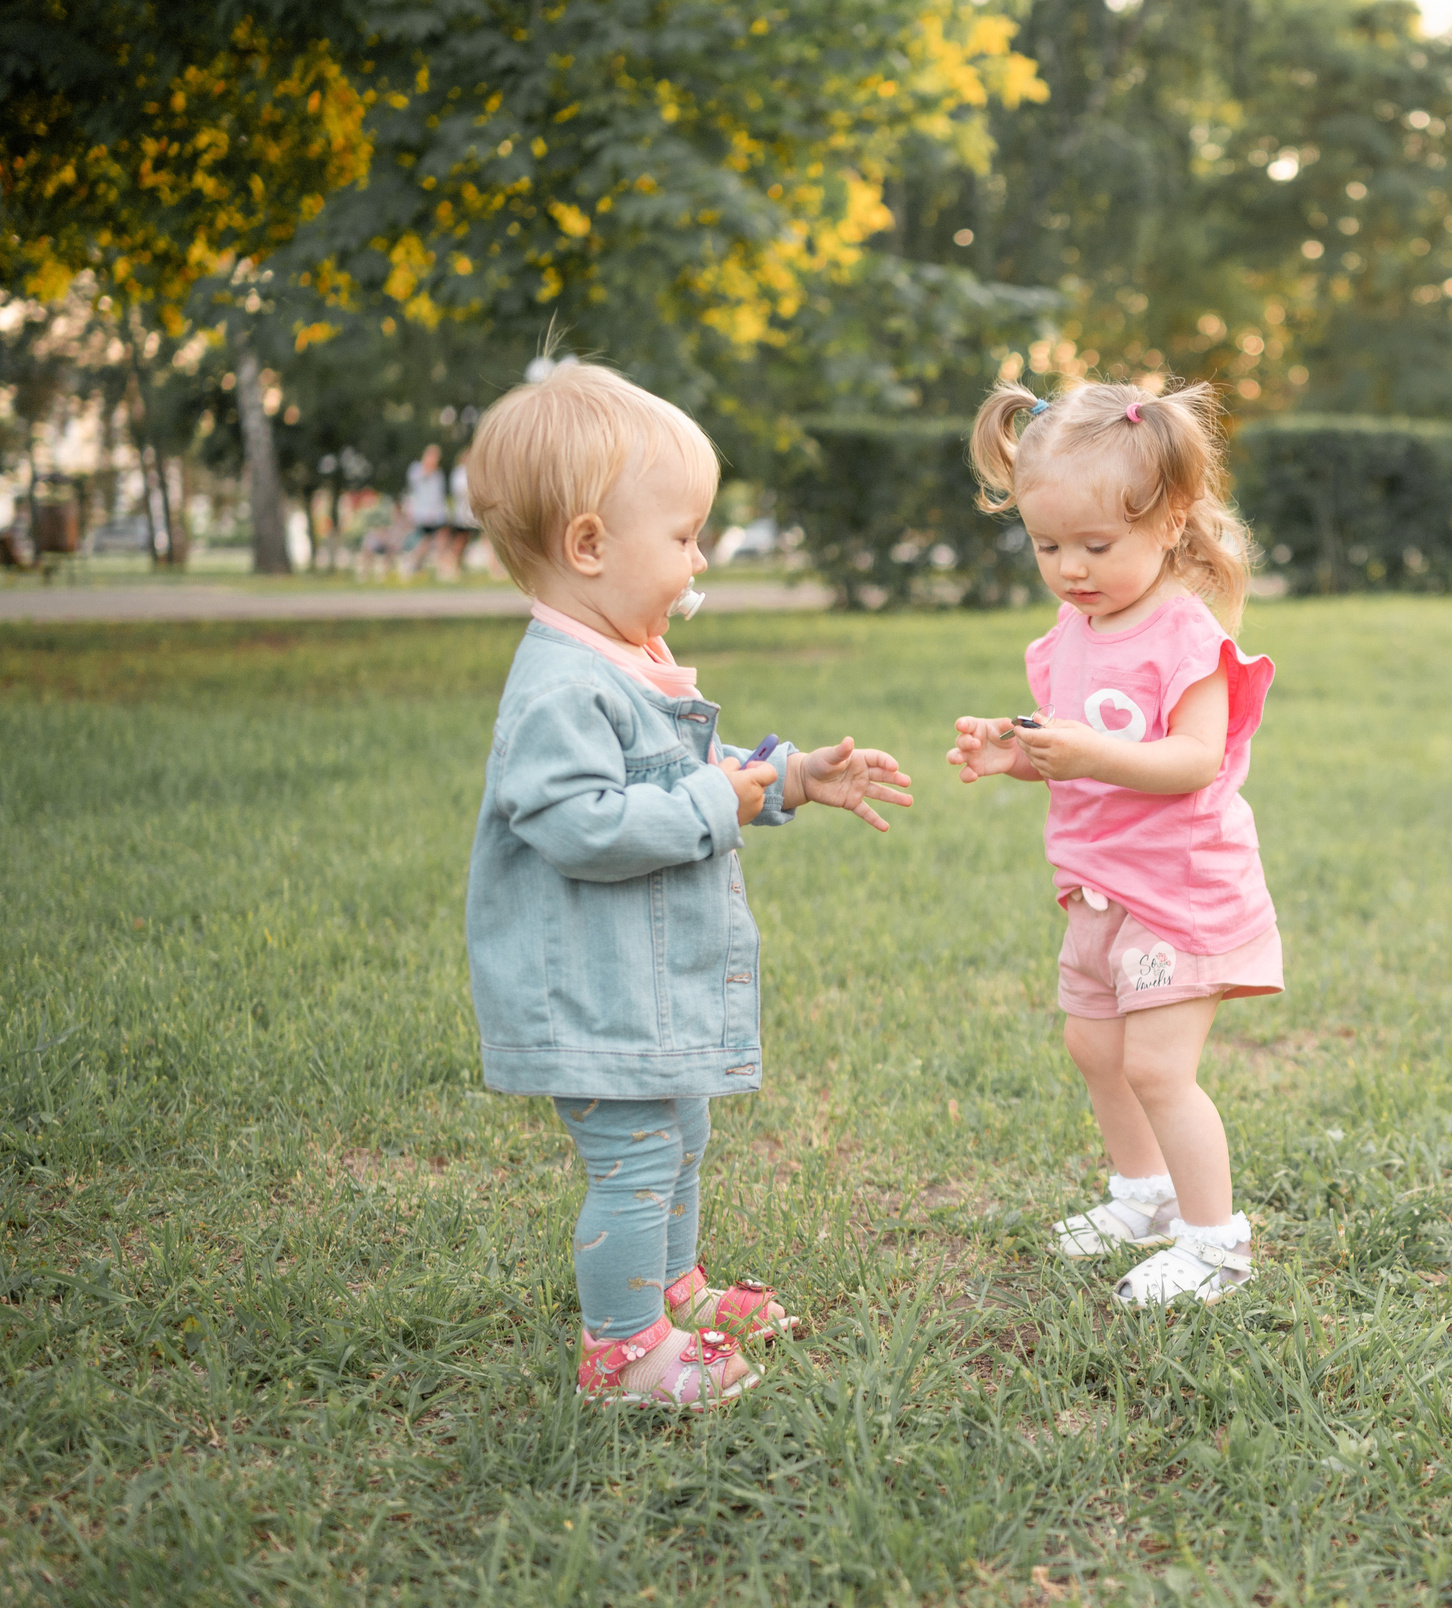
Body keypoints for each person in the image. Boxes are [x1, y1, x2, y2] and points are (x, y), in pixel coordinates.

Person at [463, 362, 914, 1404]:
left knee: (682, 1133)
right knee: (632, 1155)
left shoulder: (624, 656)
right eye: (682, 536)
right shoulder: (561, 686)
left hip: (640, 978)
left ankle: (672, 1285)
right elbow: (580, 827)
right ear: (588, 546)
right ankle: (621, 1350)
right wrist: (727, 804)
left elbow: (690, 783)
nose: (698, 557)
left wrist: (789, 779)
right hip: (592, 984)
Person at [947, 380, 1279, 1305]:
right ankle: (1144, 1196)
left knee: (1158, 1067)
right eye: (1048, 546)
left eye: (1096, 546)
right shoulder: (1066, 637)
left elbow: (1192, 760)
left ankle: (1215, 1244)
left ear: (1170, 524)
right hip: (1097, 889)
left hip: (1179, 892)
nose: (1071, 569)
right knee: (1094, 1050)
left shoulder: (1186, 636)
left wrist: (1090, 747)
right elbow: (1073, 761)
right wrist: (1015, 755)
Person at [401, 443, 449, 580]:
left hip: (436, 514)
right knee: (424, 542)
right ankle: (412, 564)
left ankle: (442, 568)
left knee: (440, 540)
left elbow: (439, 495)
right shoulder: (416, 469)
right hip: (422, 514)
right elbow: (414, 486)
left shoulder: (438, 474)